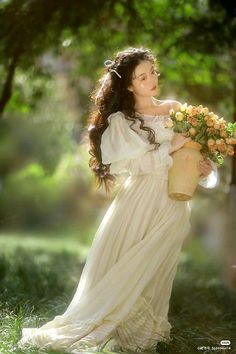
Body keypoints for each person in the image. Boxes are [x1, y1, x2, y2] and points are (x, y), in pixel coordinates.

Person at [17, 47, 217, 353]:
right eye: (142, 76)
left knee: (156, 267)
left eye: (153, 73)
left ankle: (143, 332)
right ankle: (112, 327)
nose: (152, 80)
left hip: (174, 203)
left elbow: (190, 157)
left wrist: (202, 168)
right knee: (127, 265)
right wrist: (174, 147)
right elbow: (136, 165)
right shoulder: (123, 121)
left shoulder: (176, 109)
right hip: (138, 201)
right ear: (128, 84)